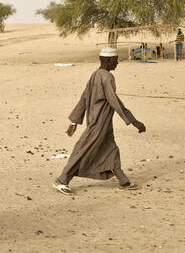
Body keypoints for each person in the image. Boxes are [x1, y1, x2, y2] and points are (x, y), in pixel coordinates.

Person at [52, 47, 146, 196]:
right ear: (108, 60)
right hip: (98, 122)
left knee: (111, 149)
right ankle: (62, 180)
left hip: (103, 123)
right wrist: (134, 121)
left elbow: (83, 98)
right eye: (115, 60)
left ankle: (123, 181)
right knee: (84, 150)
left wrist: (75, 121)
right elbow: (114, 101)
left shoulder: (95, 75)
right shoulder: (107, 77)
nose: (117, 63)